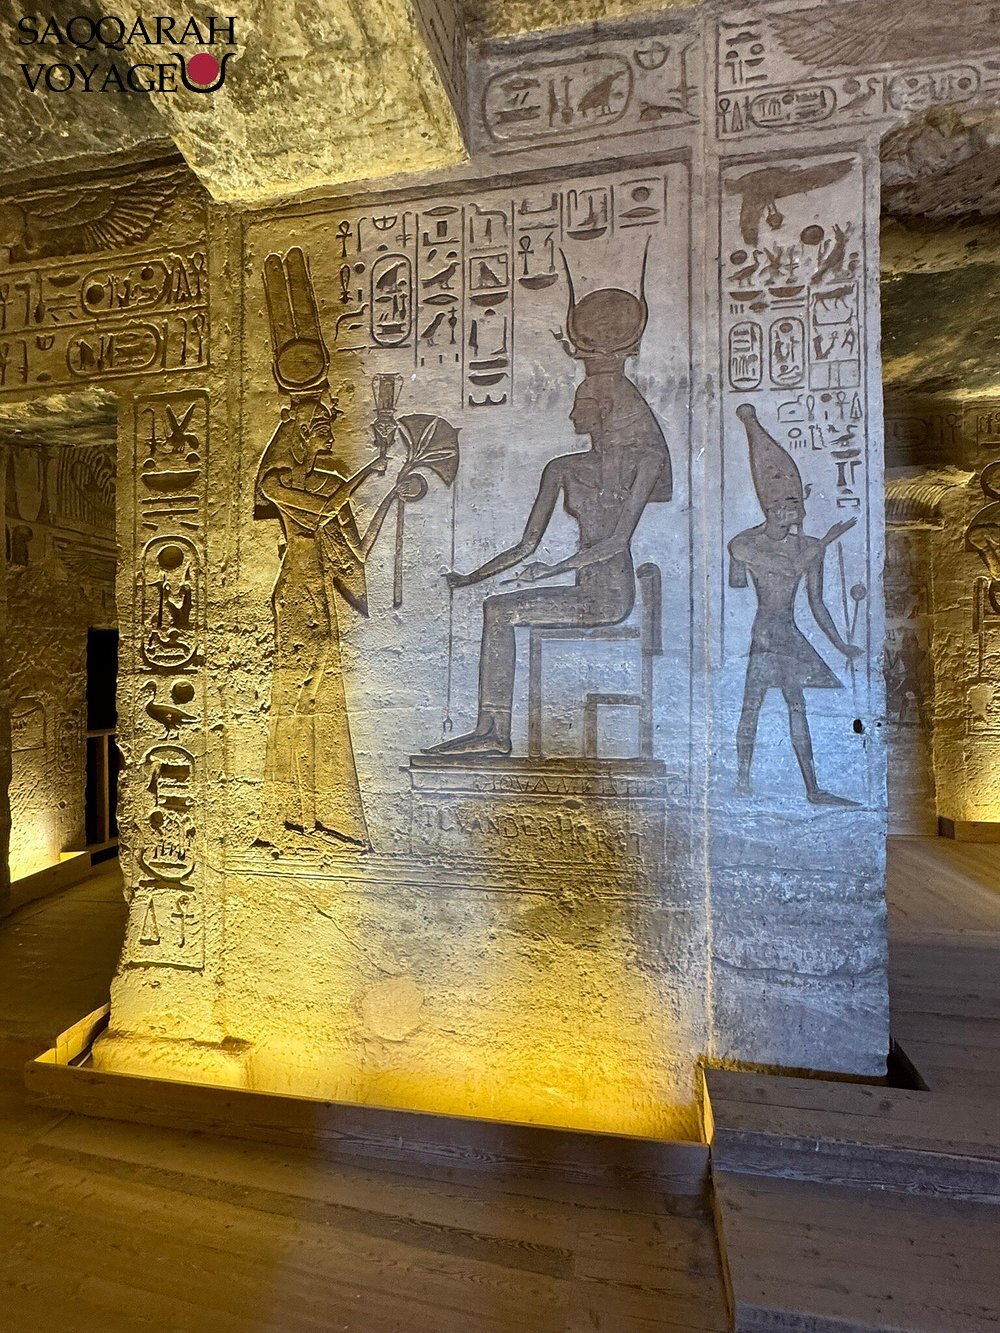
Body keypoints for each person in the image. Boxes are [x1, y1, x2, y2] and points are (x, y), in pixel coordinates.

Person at [424, 368, 670, 757]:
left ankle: (494, 732)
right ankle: (491, 729)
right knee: (496, 607)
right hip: (582, 590)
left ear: (604, 409)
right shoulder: (562, 468)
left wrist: (553, 570)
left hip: (610, 595)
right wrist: (471, 578)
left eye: (580, 406)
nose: (572, 415)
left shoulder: (646, 461)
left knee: (501, 611)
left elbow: (617, 542)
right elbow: (527, 544)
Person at [255, 395, 399, 845]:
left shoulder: (330, 481)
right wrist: (367, 472)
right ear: (300, 430)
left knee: (318, 701)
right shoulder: (275, 482)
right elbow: (320, 511)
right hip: (295, 594)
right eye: (322, 425)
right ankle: (286, 819)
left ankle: (313, 817)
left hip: (319, 594)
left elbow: (356, 553)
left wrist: (390, 497)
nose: (330, 433)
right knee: (293, 703)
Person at [728, 403, 861, 805]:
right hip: (766, 633)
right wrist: (824, 541)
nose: (796, 510)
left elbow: (817, 605)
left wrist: (840, 645)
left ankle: (812, 788)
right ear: (771, 507)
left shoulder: (808, 547)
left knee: (797, 706)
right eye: (788, 504)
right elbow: (773, 569)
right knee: (751, 706)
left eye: (796, 503)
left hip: (788, 633)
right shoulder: (745, 543)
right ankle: (741, 781)